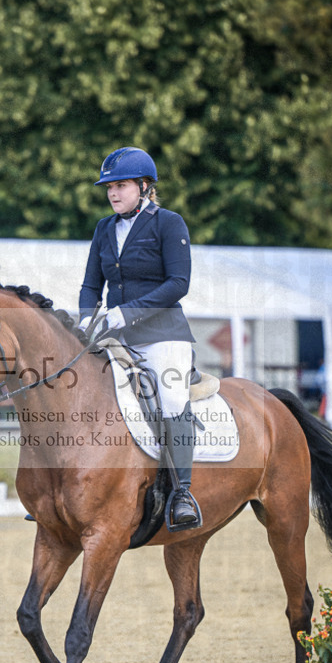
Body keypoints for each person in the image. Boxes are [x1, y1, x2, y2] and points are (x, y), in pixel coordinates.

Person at [78, 146, 201, 530]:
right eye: (109, 187)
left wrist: (125, 312)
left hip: (164, 335)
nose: (113, 193)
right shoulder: (103, 228)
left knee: (171, 397)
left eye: (122, 185)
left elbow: (178, 284)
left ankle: (183, 492)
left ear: (145, 187)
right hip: (116, 337)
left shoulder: (169, 223)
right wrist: (85, 320)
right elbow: (89, 285)